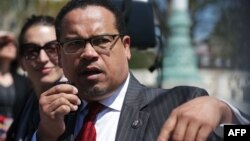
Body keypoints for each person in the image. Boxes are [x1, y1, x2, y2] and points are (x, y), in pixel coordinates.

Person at [35, 0, 249, 141]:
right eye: (74, 44)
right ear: (60, 55)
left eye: (102, 41)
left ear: (126, 47)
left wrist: (225, 114)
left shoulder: (182, 104)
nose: (89, 53)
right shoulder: (51, 116)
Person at [6, 15, 65, 141]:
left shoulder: (80, 105)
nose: (43, 59)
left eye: (52, 48)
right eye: (32, 51)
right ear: (21, 62)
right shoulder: (25, 103)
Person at [0, 31, 31, 140]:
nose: (10, 46)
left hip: (13, 134)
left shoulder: (23, 81)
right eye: (5, 43)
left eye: (13, 44)